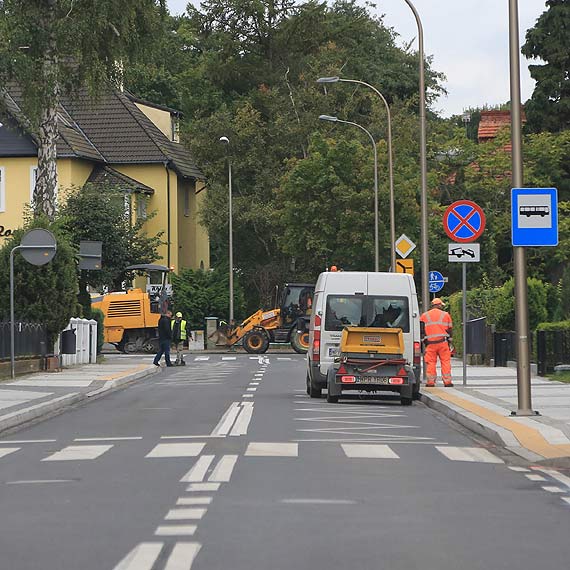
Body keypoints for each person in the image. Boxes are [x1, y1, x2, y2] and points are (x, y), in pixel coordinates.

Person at [420, 298, 453, 387]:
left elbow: (421, 330)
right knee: (445, 362)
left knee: (430, 363)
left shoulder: (424, 315)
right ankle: (447, 382)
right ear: (438, 305)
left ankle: (430, 382)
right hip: (443, 343)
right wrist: (450, 340)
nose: (441, 307)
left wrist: (424, 340)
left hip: (430, 344)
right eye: (441, 305)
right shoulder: (446, 315)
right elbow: (450, 329)